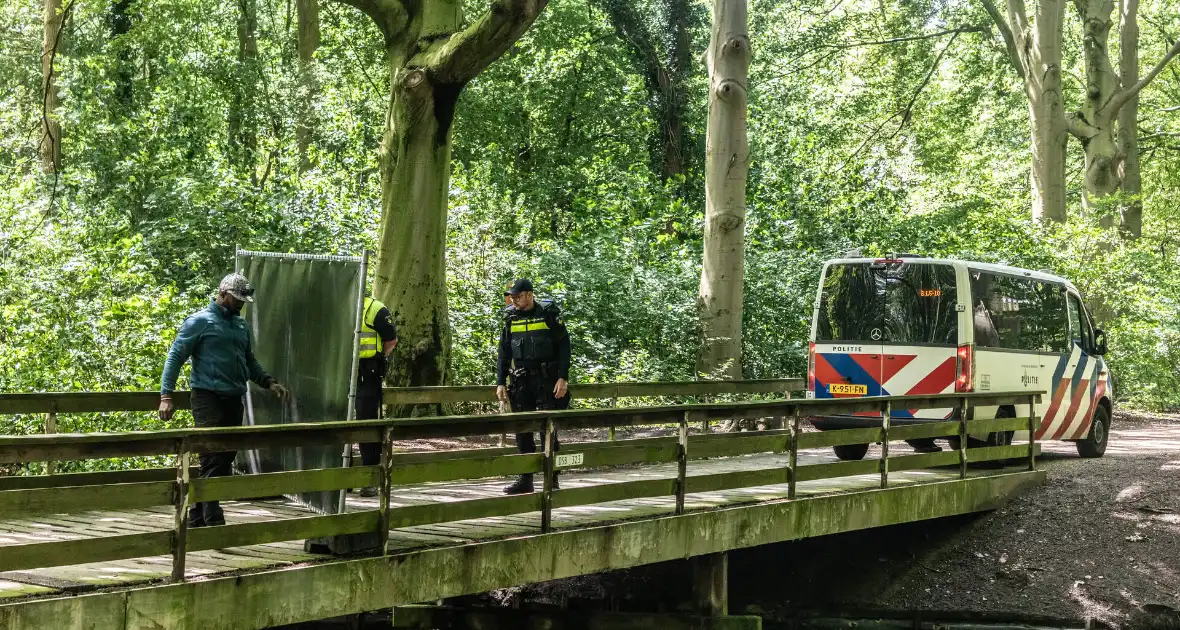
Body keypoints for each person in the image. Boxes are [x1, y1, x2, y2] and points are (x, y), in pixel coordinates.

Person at [159, 272, 289, 528]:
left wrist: (268, 382)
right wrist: (166, 395)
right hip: (207, 396)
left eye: (243, 299)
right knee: (211, 453)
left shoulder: (240, 326)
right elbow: (175, 357)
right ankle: (212, 513)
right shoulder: (199, 322)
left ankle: (196, 513)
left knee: (226, 455)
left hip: (234, 396)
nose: (240, 303)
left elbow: (248, 360)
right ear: (223, 293)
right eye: (237, 298)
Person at [496, 278, 571, 495]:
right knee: (522, 429)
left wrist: (562, 377)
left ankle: (552, 477)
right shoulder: (511, 317)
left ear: (529, 294)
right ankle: (525, 479)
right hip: (521, 382)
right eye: (512, 297)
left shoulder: (548, 314)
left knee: (548, 429)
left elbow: (564, 346)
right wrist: (501, 381)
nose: (515, 300)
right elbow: (504, 352)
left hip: (547, 381)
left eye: (518, 296)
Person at [354, 294, 398, 497]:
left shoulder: (375, 308)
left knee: (367, 423)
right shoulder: (338, 302)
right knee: (336, 422)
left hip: (367, 373)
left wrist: (379, 360)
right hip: (341, 371)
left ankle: (369, 479)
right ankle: (341, 478)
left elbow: (391, 340)